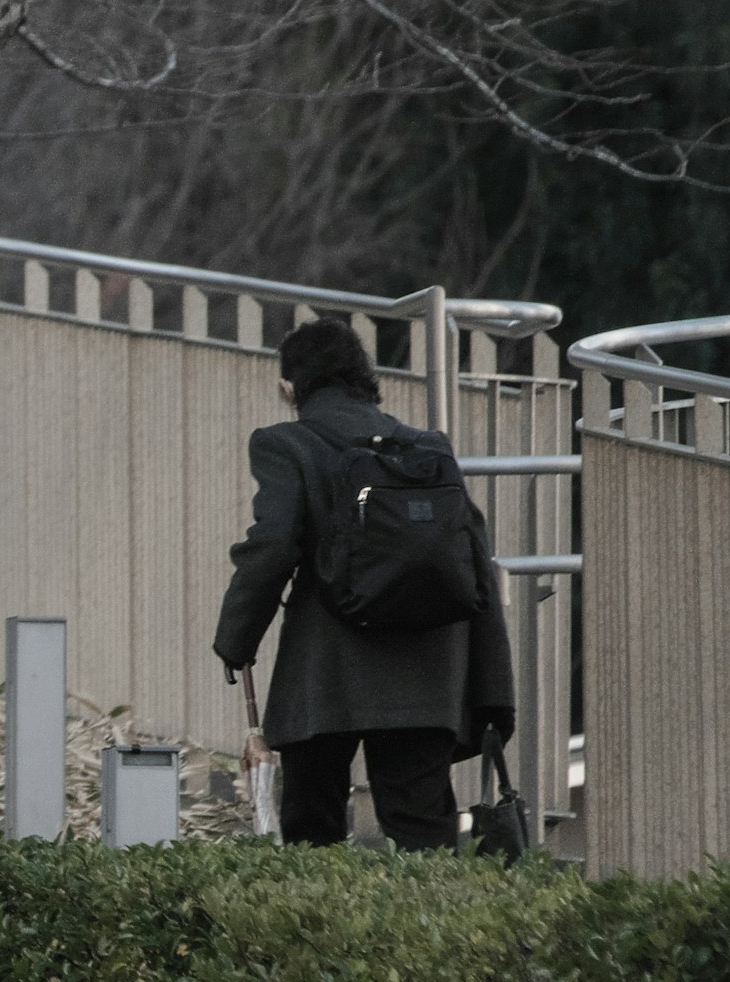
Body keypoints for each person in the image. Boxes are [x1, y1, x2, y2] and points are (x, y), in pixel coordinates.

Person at [212, 314, 514, 848]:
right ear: (366, 379)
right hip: (429, 668)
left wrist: (236, 639)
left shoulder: (287, 444)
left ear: (289, 388)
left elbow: (275, 543)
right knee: (424, 832)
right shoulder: (428, 448)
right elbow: (476, 556)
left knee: (313, 825)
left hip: (328, 669)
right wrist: (493, 686)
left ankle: (323, 926)